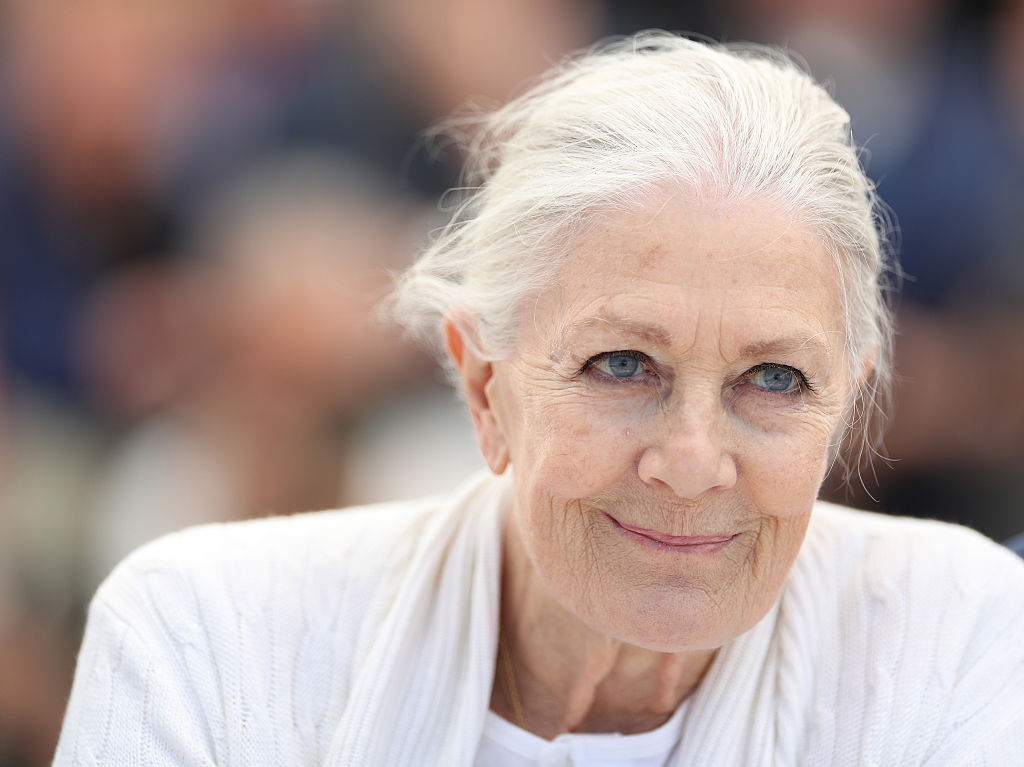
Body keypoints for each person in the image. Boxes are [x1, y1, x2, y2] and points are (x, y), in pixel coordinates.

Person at [53, 32, 1024, 765]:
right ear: (483, 384)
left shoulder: (957, 636)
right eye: (621, 364)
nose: (691, 458)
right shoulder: (205, 638)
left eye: (774, 379)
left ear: (843, 407)